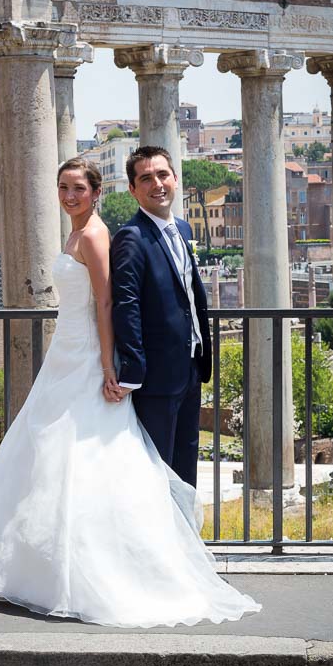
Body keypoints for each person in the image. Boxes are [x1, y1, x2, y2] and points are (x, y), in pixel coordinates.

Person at [0, 156, 261, 628]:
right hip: (76, 354)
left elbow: (115, 301)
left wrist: (110, 363)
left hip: (126, 360)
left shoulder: (136, 231)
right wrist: (114, 364)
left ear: (97, 192)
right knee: (91, 463)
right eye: (63, 187)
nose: (70, 195)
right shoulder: (107, 235)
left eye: (78, 187)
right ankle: (144, 567)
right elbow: (115, 302)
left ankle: (174, 563)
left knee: (146, 469)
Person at [111, 146, 211, 488]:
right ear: (132, 189)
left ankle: (185, 538)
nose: (157, 184)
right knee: (155, 469)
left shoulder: (182, 229)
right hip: (155, 375)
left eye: (163, 175)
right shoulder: (131, 237)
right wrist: (133, 369)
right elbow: (126, 305)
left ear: (175, 179)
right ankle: (157, 542)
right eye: (146, 178)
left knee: (186, 465)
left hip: (191, 366)